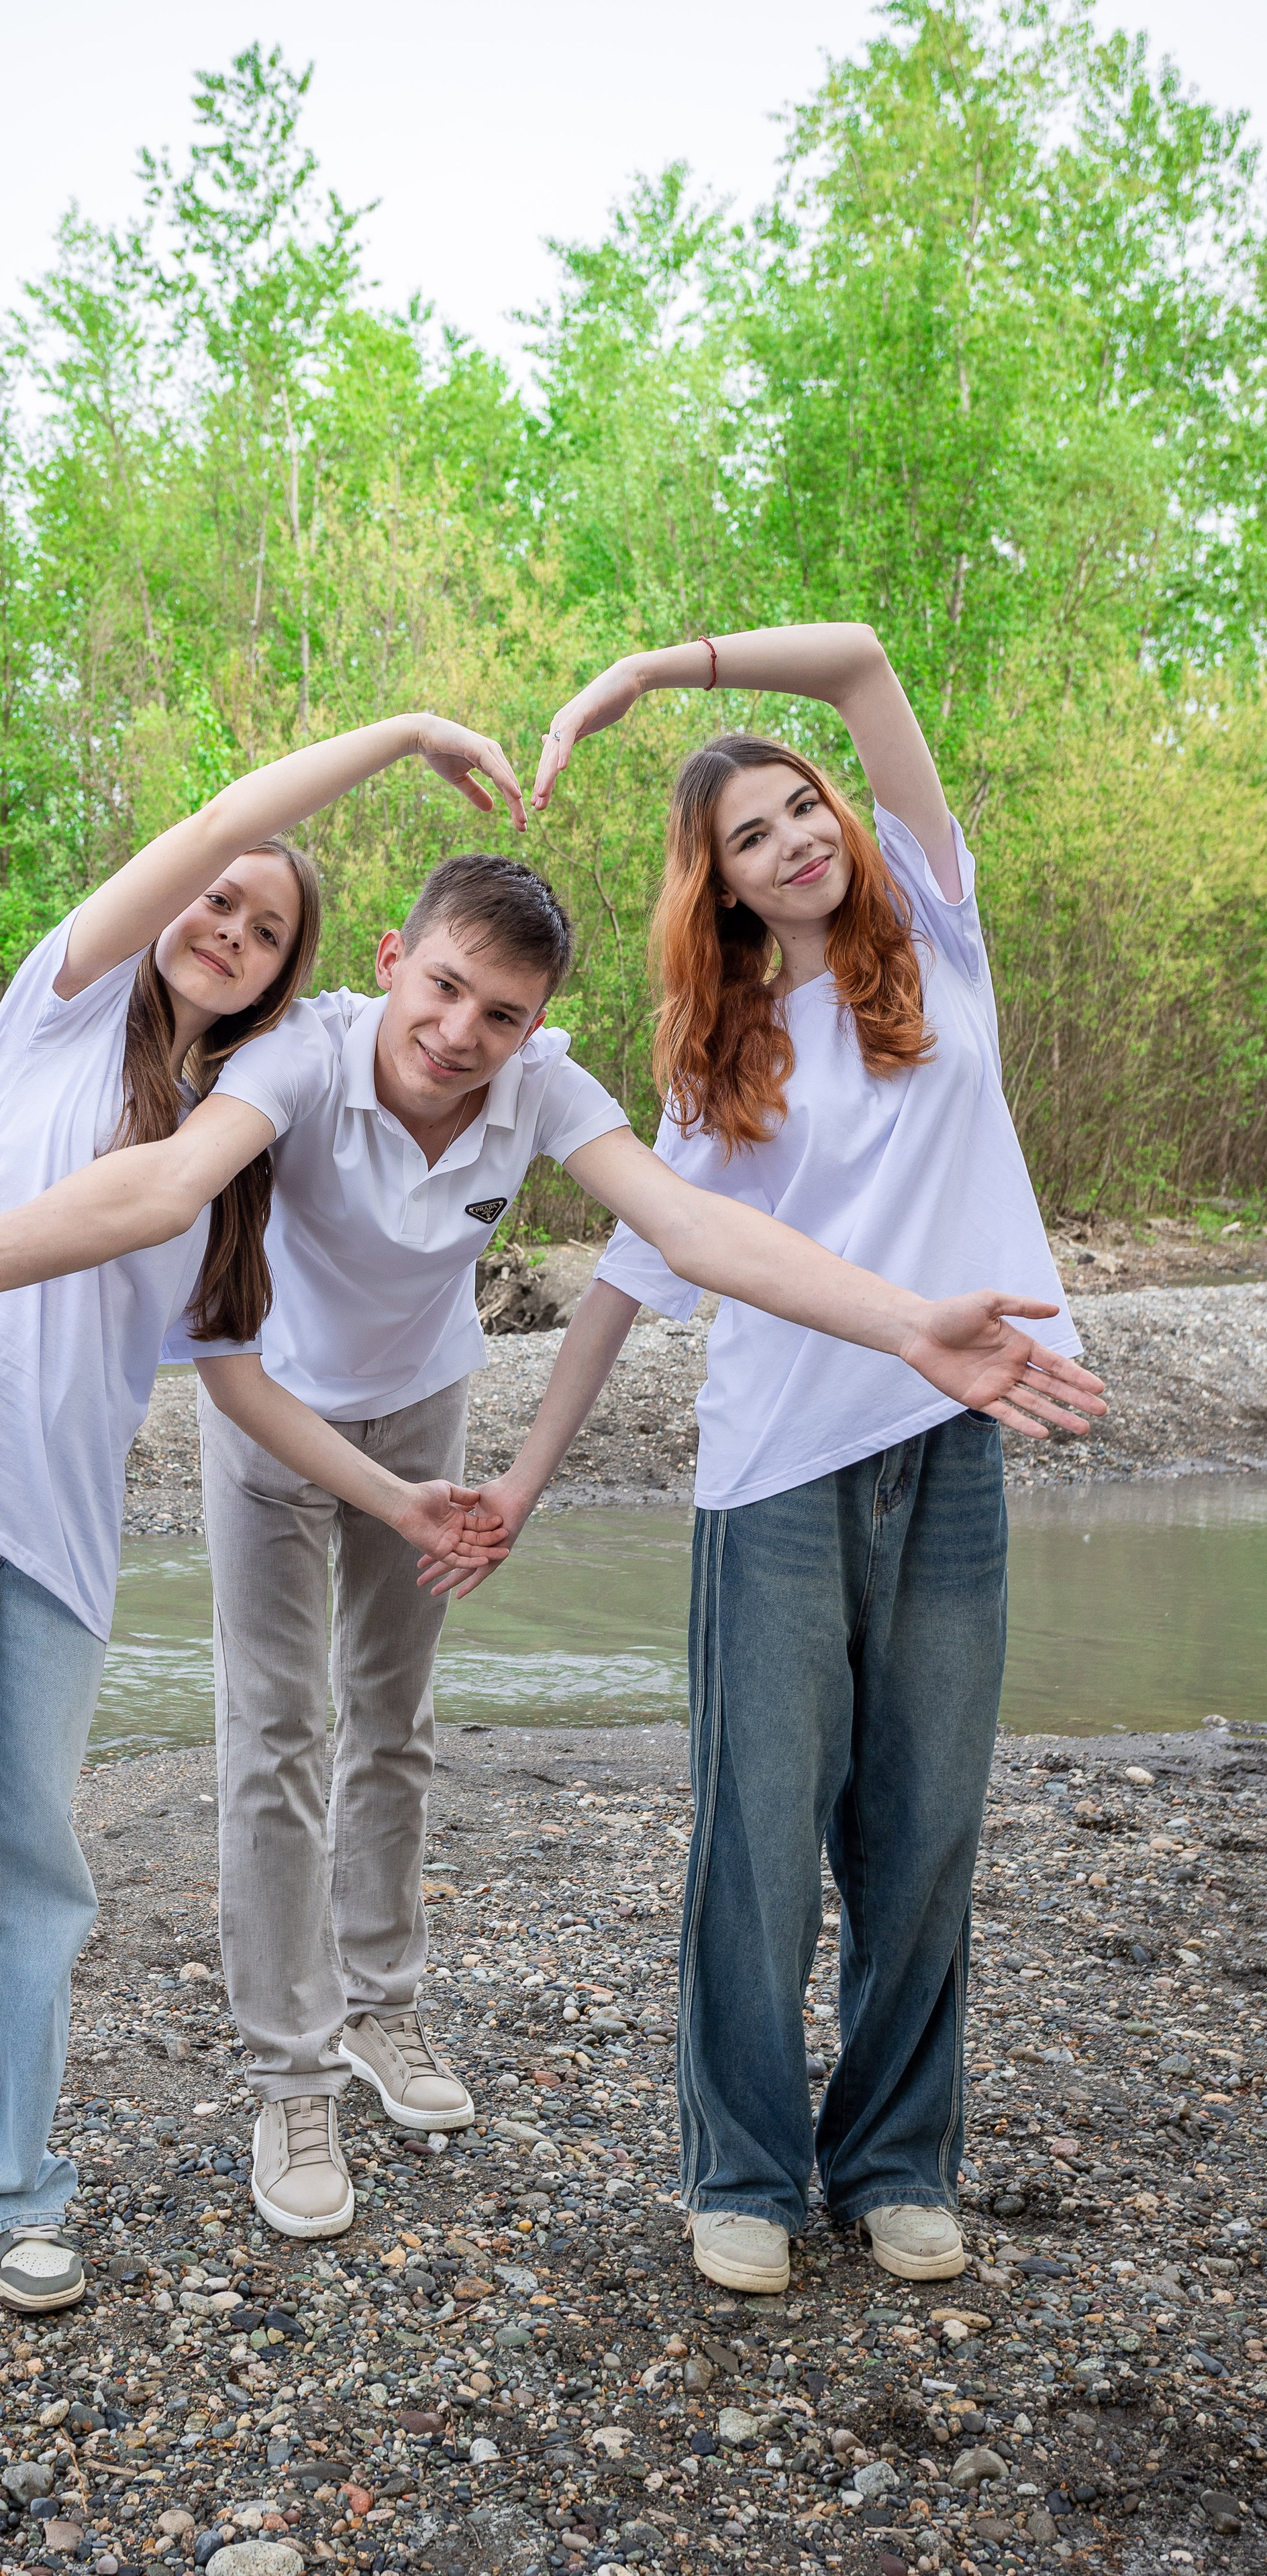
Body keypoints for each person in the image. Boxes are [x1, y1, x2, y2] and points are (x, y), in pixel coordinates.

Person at [0, 754, 1104, 2250]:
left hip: (423, 1408)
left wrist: (905, 1325)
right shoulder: (294, 1060)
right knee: (275, 1735)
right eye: (444, 991)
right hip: (264, 1406)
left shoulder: (535, 1087)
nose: (460, 1035)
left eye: (502, 1015)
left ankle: (381, 2013)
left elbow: (685, 1228)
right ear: (393, 961)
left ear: (535, 1028)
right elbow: (160, 1193)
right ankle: (290, 2081)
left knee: (390, 1731)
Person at [0, 712, 521, 2337]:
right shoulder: (54, 1018)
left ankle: (3, 2188)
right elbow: (226, 817)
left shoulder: (223, 1154)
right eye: (219, 901)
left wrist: (393, 1491)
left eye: (267, 930)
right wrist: (401, 736)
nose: (230, 928)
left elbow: (238, 1384)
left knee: (31, 1875)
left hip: (61, 1546)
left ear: (285, 979)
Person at [456, 619, 1098, 2294]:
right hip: (772, 1473)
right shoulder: (711, 1056)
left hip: (945, 1444)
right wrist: (522, 1478)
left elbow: (867, 659)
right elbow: (625, 1281)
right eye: (750, 837)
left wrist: (637, 685)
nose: (796, 838)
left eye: (801, 807)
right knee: (754, 1838)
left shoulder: (935, 939)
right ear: (721, 886)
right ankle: (738, 2172)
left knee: (923, 1829)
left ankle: (891, 2161)